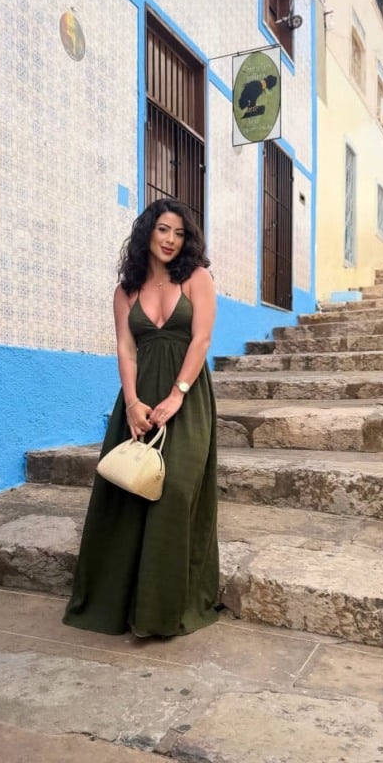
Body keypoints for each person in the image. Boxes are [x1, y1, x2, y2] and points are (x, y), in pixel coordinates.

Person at [62, 198, 219, 638]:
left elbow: (201, 340)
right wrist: (132, 403)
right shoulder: (126, 290)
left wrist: (177, 394)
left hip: (187, 396)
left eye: (179, 233)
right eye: (163, 229)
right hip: (139, 397)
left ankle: (161, 610)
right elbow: (126, 347)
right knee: (128, 494)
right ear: (147, 232)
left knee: (175, 490)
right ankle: (119, 604)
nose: (171, 240)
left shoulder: (197, 278)